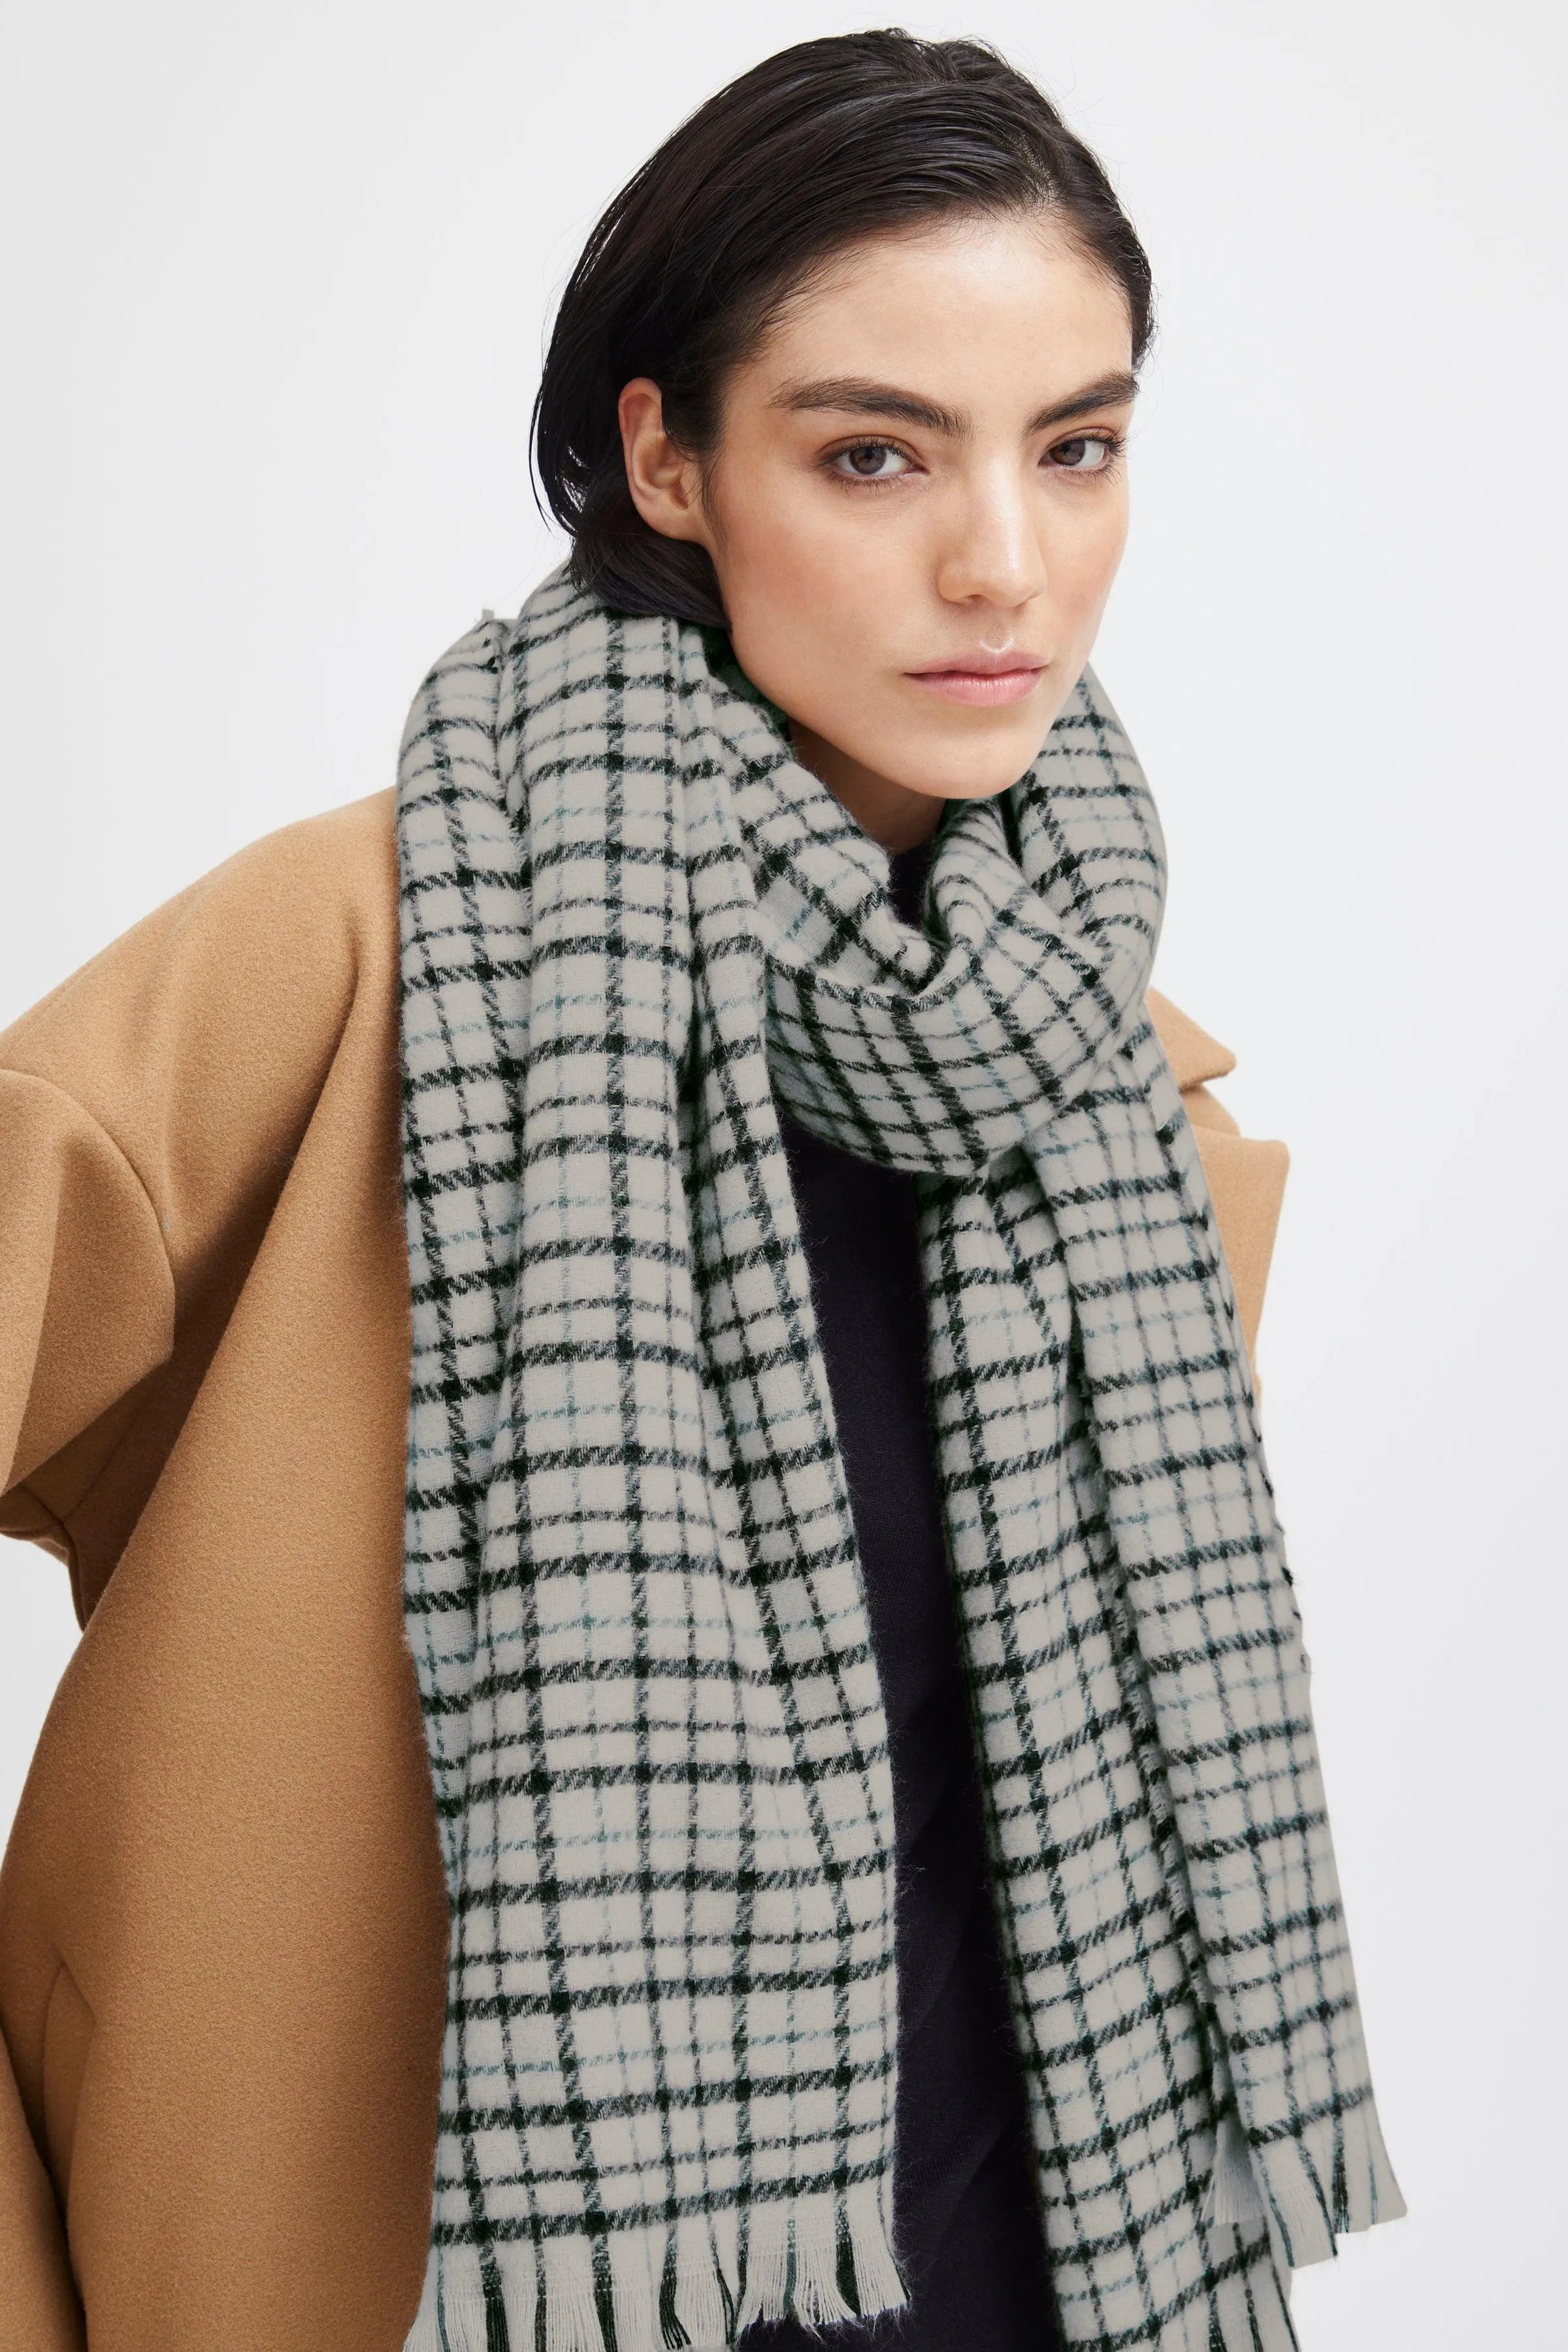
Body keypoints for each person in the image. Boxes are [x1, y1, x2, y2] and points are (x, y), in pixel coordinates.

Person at [0, 31, 1403, 2352]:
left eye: (1076, 447)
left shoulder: (1121, 1122)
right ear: (665, 458)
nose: (1006, 562)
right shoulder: (351, 971)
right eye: (875, 453)